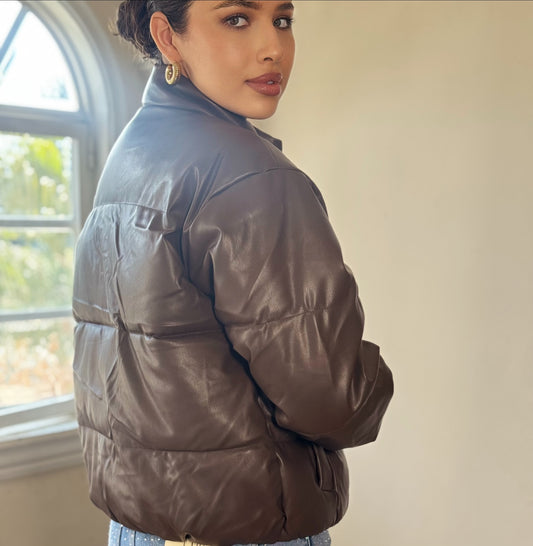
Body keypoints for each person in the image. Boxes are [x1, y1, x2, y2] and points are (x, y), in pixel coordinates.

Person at [72, 1, 394, 545]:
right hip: (242, 528)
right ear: (167, 37)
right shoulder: (251, 176)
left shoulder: (130, 156)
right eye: (237, 18)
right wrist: (374, 380)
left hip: (135, 528)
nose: (273, 48)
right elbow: (332, 400)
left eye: (283, 20)